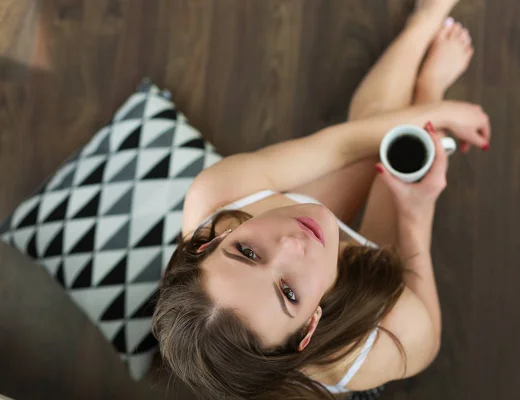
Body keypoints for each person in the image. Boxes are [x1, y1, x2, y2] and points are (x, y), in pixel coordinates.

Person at [152, 0, 491, 398]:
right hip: (362, 296)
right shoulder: (368, 346)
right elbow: (428, 338)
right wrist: (416, 212)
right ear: (309, 327)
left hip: (313, 244)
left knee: (379, 134)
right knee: (392, 155)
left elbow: (340, 145)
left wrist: (441, 109)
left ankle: (423, 22)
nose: (292, 244)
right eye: (288, 293)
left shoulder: (216, 198)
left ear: (212, 241)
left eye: (246, 251)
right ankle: (426, 70)